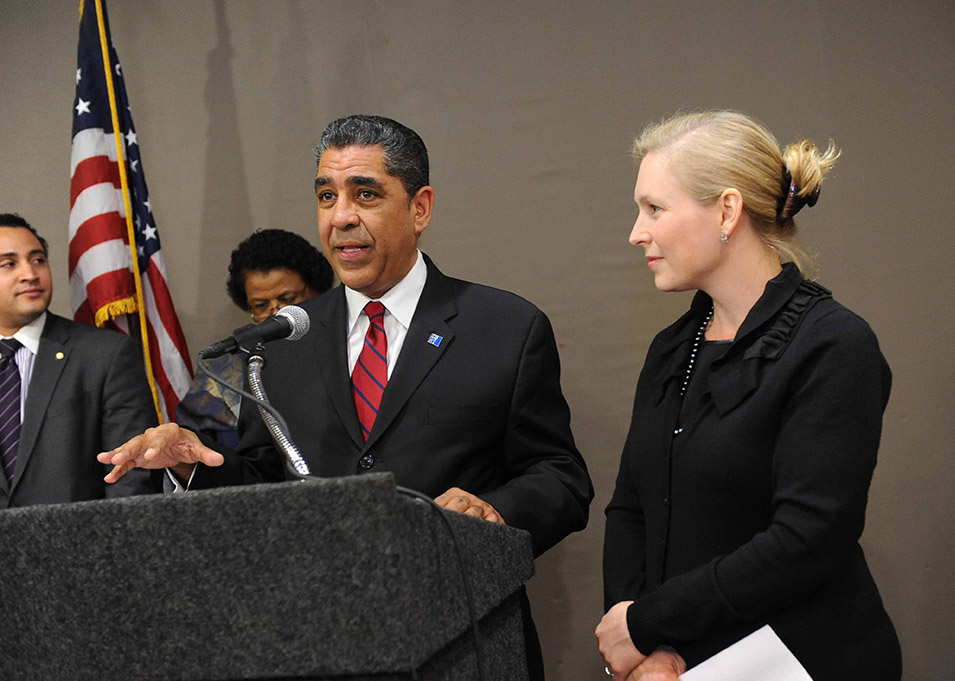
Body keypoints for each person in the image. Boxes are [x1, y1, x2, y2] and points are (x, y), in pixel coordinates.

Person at [100, 115, 593, 679]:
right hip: (318, 645)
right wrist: (195, 465)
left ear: (420, 208)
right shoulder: (283, 341)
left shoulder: (504, 326)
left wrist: (495, 510)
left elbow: (561, 478)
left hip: (466, 644)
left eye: (365, 194)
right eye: (326, 196)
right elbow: (266, 483)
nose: (340, 218)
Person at [595, 111, 900, 681]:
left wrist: (646, 624)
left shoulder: (833, 345)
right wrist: (643, 650)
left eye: (654, 208)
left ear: (727, 211)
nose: (636, 233)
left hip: (800, 662)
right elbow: (631, 510)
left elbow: (806, 541)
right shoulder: (672, 347)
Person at [0, 213, 157, 508]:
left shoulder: (105, 354)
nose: (30, 274)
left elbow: (131, 479)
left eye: (38, 260)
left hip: (79, 536)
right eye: (9, 264)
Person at [175, 229, 334, 447]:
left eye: (287, 299)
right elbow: (195, 445)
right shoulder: (224, 371)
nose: (276, 312)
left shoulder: (343, 346)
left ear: (316, 290)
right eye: (261, 305)